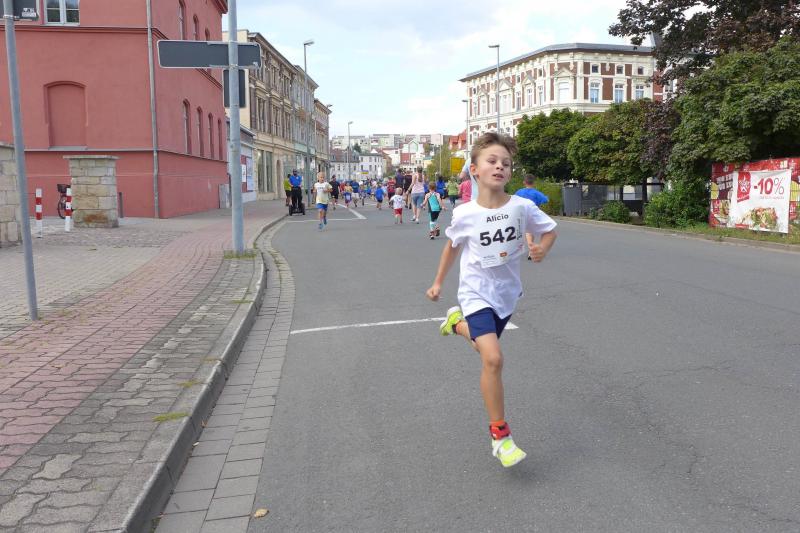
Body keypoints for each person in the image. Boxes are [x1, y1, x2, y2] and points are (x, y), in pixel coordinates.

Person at [425, 132, 557, 468]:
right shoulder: (465, 214)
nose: (500, 167)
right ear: (475, 170)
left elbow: (549, 230)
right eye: (492, 161)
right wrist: (438, 282)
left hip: (506, 294)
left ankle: (457, 324)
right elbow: (452, 247)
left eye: (506, 163)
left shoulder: (522, 207)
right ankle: (500, 436)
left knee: (483, 349)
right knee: (494, 359)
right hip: (475, 292)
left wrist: (542, 249)